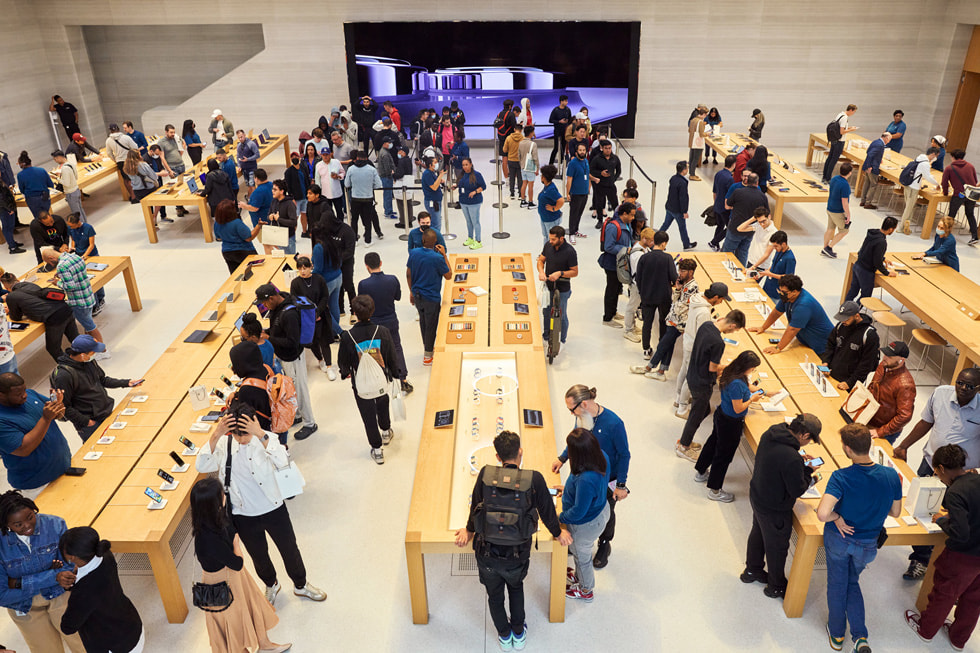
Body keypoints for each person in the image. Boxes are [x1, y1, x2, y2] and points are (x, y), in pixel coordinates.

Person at [197, 409, 326, 608]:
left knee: (289, 549)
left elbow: (283, 461)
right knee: (258, 556)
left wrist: (260, 434)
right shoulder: (224, 444)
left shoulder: (267, 439)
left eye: (246, 434)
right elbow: (202, 465)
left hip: (274, 508)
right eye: (238, 435)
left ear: (254, 424)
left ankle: (300, 584)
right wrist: (216, 434)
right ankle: (271, 584)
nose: (242, 439)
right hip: (243, 514)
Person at [455, 431, 569, 650]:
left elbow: (475, 507)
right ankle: (519, 633)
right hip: (517, 554)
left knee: (494, 596)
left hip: (486, 553)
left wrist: (469, 531)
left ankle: (504, 636)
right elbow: (546, 511)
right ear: (520, 452)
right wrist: (558, 533)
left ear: (497, 457)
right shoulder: (534, 478)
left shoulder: (485, 474)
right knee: (516, 589)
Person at [817, 423, 902, 653]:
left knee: (837, 584)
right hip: (868, 544)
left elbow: (823, 513)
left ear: (847, 449)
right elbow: (895, 512)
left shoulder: (841, 477)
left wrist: (837, 517)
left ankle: (836, 635)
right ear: (870, 444)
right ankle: (860, 637)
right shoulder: (891, 475)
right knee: (852, 583)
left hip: (840, 541)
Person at [893, 367, 980, 581]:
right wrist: (904, 445)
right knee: (918, 508)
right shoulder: (941, 393)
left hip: (960, 475)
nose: (962, 388)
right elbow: (926, 422)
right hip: (931, 463)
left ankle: (931, 562)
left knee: (950, 519)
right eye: (960, 382)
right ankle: (921, 556)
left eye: (969, 386)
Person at [190, 477, 291, 653]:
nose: (224, 496)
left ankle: (264, 644)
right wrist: (237, 545)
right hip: (223, 582)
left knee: (252, 605)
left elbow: (231, 530)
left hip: (232, 576)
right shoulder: (208, 538)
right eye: (221, 494)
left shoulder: (213, 520)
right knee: (235, 621)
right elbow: (237, 563)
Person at [904, 444, 980, 649]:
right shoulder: (977, 478)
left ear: (941, 468)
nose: (938, 477)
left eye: (937, 472)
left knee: (945, 592)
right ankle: (958, 639)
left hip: (964, 556)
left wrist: (940, 520)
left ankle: (926, 629)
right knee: (974, 599)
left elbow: (961, 532)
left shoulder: (955, 492)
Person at [743, 414, 823, 599]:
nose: (809, 443)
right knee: (777, 547)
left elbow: (778, 466)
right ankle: (776, 586)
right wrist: (809, 471)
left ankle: (752, 570)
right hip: (775, 508)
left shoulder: (770, 433)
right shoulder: (791, 457)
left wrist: (800, 463)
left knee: (758, 534)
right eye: (810, 439)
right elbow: (797, 489)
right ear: (804, 435)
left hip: (758, 495)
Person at [553, 385, 631, 570]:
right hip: (584, 473)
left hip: (606, 478)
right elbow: (577, 438)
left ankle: (604, 543)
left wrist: (621, 484)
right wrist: (563, 458)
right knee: (582, 504)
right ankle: (578, 539)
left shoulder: (614, 424)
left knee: (606, 510)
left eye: (572, 409)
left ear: (585, 403)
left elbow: (624, 455)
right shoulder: (582, 417)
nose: (572, 414)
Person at [0, 491, 84, 652]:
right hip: (23, 605)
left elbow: (68, 568)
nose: (28, 526)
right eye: (18, 524)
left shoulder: (55, 524)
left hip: (59, 595)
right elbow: (2, 595)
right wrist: (53, 576)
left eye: (30, 517)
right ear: (6, 525)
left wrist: (18, 583)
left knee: (82, 642)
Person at [693, 351, 765, 502]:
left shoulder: (731, 371)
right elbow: (738, 408)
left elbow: (747, 385)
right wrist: (752, 399)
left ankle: (701, 471)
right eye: (753, 368)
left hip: (721, 415)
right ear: (747, 367)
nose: (753, 371)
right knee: (723, 456)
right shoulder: (736, 384)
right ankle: (715, 489)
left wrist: (766, 392)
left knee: (713, 443)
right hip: (731, 423)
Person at [58, 527, 143, 653]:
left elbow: (68, 627)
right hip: (131, 625)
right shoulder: (105, 554)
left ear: (72, 557)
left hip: (113, 645)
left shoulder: (84, 590)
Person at [676, 311, 746, 462]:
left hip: (693, 374)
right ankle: (683, 446)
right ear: (732, 325)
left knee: (704, 410)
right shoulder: (718, 342)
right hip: (702, 382)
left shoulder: (706, 325)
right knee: (695, 415)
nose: (732, 332)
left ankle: (685, 439)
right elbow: (713, 369)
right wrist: (729, 368)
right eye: (734, 330)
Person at [254, 285, 318, 441]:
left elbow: (292, 341)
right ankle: (297, 415)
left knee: (300, 390)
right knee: (292, 389)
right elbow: (278, 329)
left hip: (293, 357)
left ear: (272, 298)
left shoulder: (289, 315)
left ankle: (310, 423)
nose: (265, 307)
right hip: (285, 357)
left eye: (265, 303)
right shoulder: (278, 306)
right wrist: (267, 332)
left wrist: (270, 338)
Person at [337, 295, 396, 465]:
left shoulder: (348, 336)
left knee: (368, 416)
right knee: (383, 404)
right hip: (380, 379)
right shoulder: (382, 331)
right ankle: (386, 431)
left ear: (354, 312)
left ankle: (377, 450)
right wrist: (395, 373)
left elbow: (343, 362)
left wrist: (344, 372)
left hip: (361, 384)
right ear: (372, 310)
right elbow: (391, 355)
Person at [51, 334, 142, 442]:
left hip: (105, 412)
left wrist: (126, 383)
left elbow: (102, 380)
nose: (95, 354)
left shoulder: (88, 361)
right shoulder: (64, 376)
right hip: (90, 424)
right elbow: (64, 406)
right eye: (93, 352)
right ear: (82, 355)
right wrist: (87, 422)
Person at [558, 428, 610, 602]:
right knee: (580, 554)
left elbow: (579, 512)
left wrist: (560, 517)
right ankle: (580, 578)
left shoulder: (586, 479)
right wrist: (570, 492)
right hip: (601, 511)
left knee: (582, 557)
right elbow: (593, 491)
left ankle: (586, 589)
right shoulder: (601, 455)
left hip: (585, 525)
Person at [0, 374, 70, 495]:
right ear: (1, 395)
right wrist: (45, 419)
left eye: (24, 390)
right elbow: (23, 449)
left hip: (64, 466)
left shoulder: (30, 394)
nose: (24, 395)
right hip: (37, 485)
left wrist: (58, 404)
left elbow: (58, 415)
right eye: (18, 394)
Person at [631, 257, 698, 380]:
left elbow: (681, 306)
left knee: (663, 345)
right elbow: (675, 300)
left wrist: (676, 302)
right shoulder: (683, 284)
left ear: (691, 272)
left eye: (683, 271)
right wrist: (677, 290)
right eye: (679, 270)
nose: (680, 273)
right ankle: (661, 371)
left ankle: (649, 367)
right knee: (668, 345)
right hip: (673, 319)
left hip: (678, 323)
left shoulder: (692, 287)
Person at [674, 281, 730, 419]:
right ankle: (682, 408)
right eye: (722, 299)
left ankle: (678, 398)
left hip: (688, 338)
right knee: (690, 376)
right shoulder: (704, 311)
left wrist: (714, 321)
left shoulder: (698, 298)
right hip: (694, 345)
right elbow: (704, 333)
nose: (722, 302)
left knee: (684, 370)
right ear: (716, 297)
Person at [358, 252, 412, 395]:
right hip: (391, 319)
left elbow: (361, 304)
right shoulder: (392, 280)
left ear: (367, 266)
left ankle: (380, 378)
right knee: (396, 347)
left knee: (375, 350)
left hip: (373, 323)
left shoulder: (363, 284)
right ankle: (403, 379)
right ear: (381, 263)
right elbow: (398, 297)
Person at [1, 274, 80, 364]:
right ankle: (86, 357)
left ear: (6, 288)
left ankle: (69, 367)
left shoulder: (11, 297)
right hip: (65, 309)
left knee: (53, 348)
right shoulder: (29, 284)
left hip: (54, 319)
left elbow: (16, 317)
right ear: (18, 280)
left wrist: (9, 311)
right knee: (75, 338)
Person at [41, 248, 106, 356]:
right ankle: (91, 348)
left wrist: (58, 283)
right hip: (88, 295)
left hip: (78, 301)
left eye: (50, 262)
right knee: (87, 324)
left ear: (51, 258)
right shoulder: (74, 256)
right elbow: (78, 272)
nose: (51, 265)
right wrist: (63, 275)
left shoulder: (61, 266)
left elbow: (70, 286)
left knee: (90, 326)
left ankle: (102, 351)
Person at [749, 274, 833, 356]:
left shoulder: (803, 305)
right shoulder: (787, 297)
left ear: (794, 292)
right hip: (805, 341)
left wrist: (778, 348)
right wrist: (763, 327)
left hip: (822, 345)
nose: (781, 294)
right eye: (780, 291)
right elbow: (776, 312)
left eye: (784, 292)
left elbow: (792, 329)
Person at [406, 230, 451, 366]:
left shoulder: (413, 253)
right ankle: (428, 355)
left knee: (423, 323)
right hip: (431, 298)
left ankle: (427, 347)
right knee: (431, 325)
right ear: (436, 242)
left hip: (418, 295)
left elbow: (408, 274)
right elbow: (449, 275)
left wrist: (411, 292)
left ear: (422, 241)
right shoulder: (437, 258)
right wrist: (444, 255)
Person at [633, 230, 677, 356]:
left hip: (647, 296)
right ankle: (661, 348)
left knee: (647, 323)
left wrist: (643, 292)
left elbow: (638, 278)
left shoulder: (644, 257)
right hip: (664, 297)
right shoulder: (667, 258)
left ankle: (646, 349)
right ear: (663, 244)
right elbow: (674, 278)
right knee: (663, 322)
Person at [291, 256, 335, 379]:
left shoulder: (319, 279)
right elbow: (294, 299)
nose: (302, 271)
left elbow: (325, 297)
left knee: (324, 341)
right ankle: (320, 360)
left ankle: (330, 366)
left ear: (311, 267)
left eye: (305, 268)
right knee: (313, 341)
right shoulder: (295, 283)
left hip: (321, 314)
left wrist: (317, 312)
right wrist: (309, 314)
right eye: (300, 269)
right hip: (306, 318)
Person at [822, 301, 880, 391]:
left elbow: (866, 365)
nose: (843, 321)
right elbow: (830, 344)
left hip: (848, 383)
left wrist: (850, 383)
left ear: (856, 316)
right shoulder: (840, 326)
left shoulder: (869, 335)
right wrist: (825, 362)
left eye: (846, 319)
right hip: (831, 375)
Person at [867, 341, 916, 445]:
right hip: (869, 418)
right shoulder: (884, 365)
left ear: (901, 360)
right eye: (885, 354)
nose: (884, 358)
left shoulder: (905, 385)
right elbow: (873, 386)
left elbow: (904, 416)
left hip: (884, 430)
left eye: (890, 356)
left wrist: (880, 431)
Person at [537, 226, 578, 347]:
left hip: (562, 289)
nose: (550, 241)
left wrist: (560, 273)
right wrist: (541, 272)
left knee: (562, 315)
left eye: (553, 239)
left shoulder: (570, 252)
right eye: (550, 238)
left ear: (561, 238)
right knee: (546, 311)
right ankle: (546, 335)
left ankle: (562, 340)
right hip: (548, 286)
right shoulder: (548, 246)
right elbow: (541, 260)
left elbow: (575, 272)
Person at [598, 202, 635, 328]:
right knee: (611, 290)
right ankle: (607, 318)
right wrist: (626, 249)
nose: (633, 218)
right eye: (631, 215)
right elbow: (609, 246)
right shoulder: (613, 227)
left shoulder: (626, 223)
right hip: (612, 263)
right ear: (624, 214)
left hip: (620, 262)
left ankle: (613, 312)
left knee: (617, 288)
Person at [844, 217, 898, 301]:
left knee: (853, 291)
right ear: (891, 229)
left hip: (858, 265)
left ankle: (845, 309)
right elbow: (877, 263)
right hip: (866, 271)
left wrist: (882, 258)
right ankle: (854, 312)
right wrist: (887, 273)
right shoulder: (881, 242)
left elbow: (868, 249)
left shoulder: (873, 233)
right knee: (865, 296)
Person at [723, 173, 766, 265]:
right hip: (750, 230)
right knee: (743, 252)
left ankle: (724, 271)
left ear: (747, 181)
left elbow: (729, 204)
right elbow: (766, 214)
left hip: (735, 227)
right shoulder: (762, 196)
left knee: (727, 252)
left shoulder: (738, 192)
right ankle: (741, 272)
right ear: (757, 182)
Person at [66, 212, 104, 309]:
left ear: (78, 223)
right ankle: (93, 302)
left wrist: (84, 256)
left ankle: (101, 297)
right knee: (87, 279)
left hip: (91, 255)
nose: (71, 227)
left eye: (72, 226)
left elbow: (91, 244)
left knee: (96, 278)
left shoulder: (88, 228)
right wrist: (72, 248)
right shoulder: (71, 228)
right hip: (79, 255)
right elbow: (73, 239)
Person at [345, 150, 383, 244]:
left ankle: (355, 240)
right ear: (366, 158)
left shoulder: (351, 169)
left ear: (356, 158)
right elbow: (378, 185)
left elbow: (347, 184)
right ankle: (368, 241)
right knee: (367, 220)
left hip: (355, 198)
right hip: (368, 198)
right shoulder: (371, 169)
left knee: (354, 220)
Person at [621, 227, 653, 341]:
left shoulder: (644, 249)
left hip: (640, 284)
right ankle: (628, 330)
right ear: (644, 239)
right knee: (631, 307)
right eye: (651, 240)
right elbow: (639, 272)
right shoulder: (638, 254)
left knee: (634, 306)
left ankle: (633, 326)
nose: (652, 243)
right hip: (637, 285)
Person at [212, 199, 260, 274]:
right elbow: (248, 238)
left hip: (227, 252)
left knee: (236, 276)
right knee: (255, 273)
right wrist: (258, 226)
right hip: (244, 251)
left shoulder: (217, 223)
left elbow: (218, 237)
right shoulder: (237, 223)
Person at [943, 148, 979, 246]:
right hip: (971, 194)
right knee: (970, 214)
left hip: (959, 194)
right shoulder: (970, 166)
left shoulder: (949, 168)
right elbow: (975, 181)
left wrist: (945, 193)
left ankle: (946, 235)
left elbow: (944, 182)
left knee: (951, 215)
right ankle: (974, 236)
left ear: (952, 157)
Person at [899, 147, 940, 232]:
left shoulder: (919, 158)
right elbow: (928, 177)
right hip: (913, 188)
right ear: (932, 154)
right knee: (908, 209)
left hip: (908, 185)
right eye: (936, 156)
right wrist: (937, 184)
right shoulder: (925, 164)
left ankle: (906, 227)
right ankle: (901, 228)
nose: (936, 158)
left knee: (909, 207)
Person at [660, 162, 696, 251]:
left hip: (669, 207)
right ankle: (686, 244)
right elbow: (683, 198)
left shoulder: (673, 178)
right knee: (682, 227)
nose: (687, 170)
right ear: (683, 170)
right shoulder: (683, 183)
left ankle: (656, 240)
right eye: (687, 168)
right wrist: (684, 211)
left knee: (665, 225)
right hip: (677, 210)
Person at [751, 231, 796, 300]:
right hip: (768, 286)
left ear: (783, 244)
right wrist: (763, 274)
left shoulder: (790, 258)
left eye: (776, 246)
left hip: (777, 291)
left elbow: (788, 278)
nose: (774, 248)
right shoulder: (779, 251)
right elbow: (774, 264)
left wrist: (770, 274)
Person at [822, 162, 854, 259]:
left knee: (830, 229)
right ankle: (829, 247)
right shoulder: (845, 185)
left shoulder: (834, 179)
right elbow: (844, 202)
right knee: (844, 230)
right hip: (837, 211)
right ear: (849, 173)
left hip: (830, 207)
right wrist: (848, 214)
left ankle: (824, 248)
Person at [125, 149, 164, 225]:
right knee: (159, 201)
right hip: (148, 188)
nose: (141, 156)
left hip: (137, 190)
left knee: (147, 208)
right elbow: (154, 176)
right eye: (139, 154)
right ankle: (154, 216)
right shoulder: (143, 165)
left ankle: (150, 222)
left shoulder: (127, 167)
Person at [822, 104, 858, 184]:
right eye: (854, 112)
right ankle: (828, 179)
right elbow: (842, 132)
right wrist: (851, 130)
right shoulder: (845, 118)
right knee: (833, 160)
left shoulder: (840, 114)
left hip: (834, 139)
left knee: (830, 158)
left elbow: (839, 128)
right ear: (851, 110)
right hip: (839, 141)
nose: (853, 114)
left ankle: (824, 177)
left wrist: (849, 128)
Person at [455, 157, 486, 250]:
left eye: (466, 165)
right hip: (463, 201)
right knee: (468, 221)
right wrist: (455, 186)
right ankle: (470, 238)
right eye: (463, 165)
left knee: (475, 221)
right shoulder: (462, 174)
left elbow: (483, 186)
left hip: (474, 202)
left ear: (471, 164)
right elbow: (461, 184)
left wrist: (475, 191)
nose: (465, 167)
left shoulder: (477, 175)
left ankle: (478, 241)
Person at [708, 154, 737, 251]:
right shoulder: (730, 179)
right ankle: (714, 242)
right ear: (734, 165)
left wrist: (715, 203)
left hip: (717, 205)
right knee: (730, 227)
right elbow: (731, 196)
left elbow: (714, 191)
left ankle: (715, 245)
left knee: (720, 225)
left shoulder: (718, 174)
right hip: (725, 208)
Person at [159, 123, 188, 216]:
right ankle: (178, 208)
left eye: (174, 132)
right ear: (166, 132)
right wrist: (169, 170)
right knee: (176, 187)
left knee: (183, 186)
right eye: (171, 132)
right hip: (173, 167)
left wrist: (183, 144)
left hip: (181, 165)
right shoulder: (161, 142)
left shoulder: (175, 139)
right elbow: (162, 158)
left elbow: (182, 147)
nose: (173, 134)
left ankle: (182, 205)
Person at [105, 124, 140, 202]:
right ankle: (137, 195)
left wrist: (115, 159)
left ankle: (132, 196)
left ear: (110, 130)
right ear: (118, 129)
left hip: (120, 161)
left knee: (126, 179)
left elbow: (109, 153)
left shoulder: (108, 140)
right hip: (129, 159)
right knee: (133, 178)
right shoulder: (126, 137)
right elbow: (135, 147)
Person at [565, 142, 591, 243]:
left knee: (579, 213)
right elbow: (569, 179)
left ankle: (576, 230)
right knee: (573, 214)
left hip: (584, 193)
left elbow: (587, 174)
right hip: (575, 193)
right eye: (580, 150)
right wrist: (567, 193)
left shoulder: (585, 161)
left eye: (584, 150)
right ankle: (571, 233)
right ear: (576, 152)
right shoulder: (572, 164)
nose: (582, 152)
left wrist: (594, 180)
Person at [859, 132, 892, 209]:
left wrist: (878, 159)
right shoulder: (880, 145)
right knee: (873, 185)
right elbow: (870, 154)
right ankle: (868, 203)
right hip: (872, 167)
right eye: (889, 139)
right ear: (886, 138)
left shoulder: (875, 141)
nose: (889, 141)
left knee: (866, 183)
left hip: (867, 165)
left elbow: (868, 152)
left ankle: (863, 201)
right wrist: (870, 166)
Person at [589, 140, 621, 222]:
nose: (608, 150)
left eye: (609, 148)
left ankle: (617, 219)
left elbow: (618, 170)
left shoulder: (615, 158)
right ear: (602, 148)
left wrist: (613, 178)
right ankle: (600, 221)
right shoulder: (597, 159)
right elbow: (591, 170)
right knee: (599, 204)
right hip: (600, 185)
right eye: (606, 148)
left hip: (610, 185)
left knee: (615, 203)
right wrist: (600, 173)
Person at [50, 150, 85, 224]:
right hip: (76, 190)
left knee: (76, 214)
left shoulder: (64, 168)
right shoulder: (71, 163)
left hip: (71, 193)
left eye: (55, 159)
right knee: (81, 211)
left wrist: (56, 178)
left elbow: (66, 183)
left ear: (59, 157)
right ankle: (85, 225)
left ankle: (82, 229)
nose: (55, 161)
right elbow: (76, 177)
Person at [15, 152, 53, 220]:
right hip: (45, 197)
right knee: (47, 215)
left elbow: (22, 190)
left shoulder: (20, 175)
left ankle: (41, 230)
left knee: (38, 218)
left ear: (22, 164)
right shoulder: (41, 170)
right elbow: (50, 184)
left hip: (32, 199)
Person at [536, 164, 564, 242]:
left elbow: (561, 200)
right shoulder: (546, 186)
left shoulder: (551, 189)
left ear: (544, 177)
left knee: (551, 240)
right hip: (545, 218)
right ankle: (546, 253)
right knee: (546, 237)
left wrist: (554, 208)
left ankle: (550, 254)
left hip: (551, 220)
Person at [420, 156, 447, 232]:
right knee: (436, 223)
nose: (437, 164)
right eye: (435, 162)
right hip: (432, 201)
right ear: (430, 165)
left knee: (437, 220)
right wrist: (441, 175)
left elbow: (435, 183)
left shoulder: (432, 173)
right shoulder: (427, 174)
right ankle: (435, 239)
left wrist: (439, 180)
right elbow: (434, 187)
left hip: (436, 200)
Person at [517, 126, 539, 208]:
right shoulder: (533, 144)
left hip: (523, 166)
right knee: (530, 185)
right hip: (530, 167)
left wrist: (521, 164)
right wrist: (537, 168)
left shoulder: (520, 143)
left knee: (524, 184)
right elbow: (535, 157)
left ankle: (523, 201)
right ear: (530, 133)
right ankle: (530, 202)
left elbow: (518, 155)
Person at [0, 180, 24, 255]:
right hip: (5, 210)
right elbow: (1, 200)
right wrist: (10, 208)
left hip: (5, 208)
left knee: (10, 226)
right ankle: (12, 247)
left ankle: (12, 243)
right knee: (7, 227)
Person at [549, 95, 572, 166]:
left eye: (567, 101)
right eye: (565, 101)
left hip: (565, 131)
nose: (566, 102)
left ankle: (561, 162)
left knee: (563, 147)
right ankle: (550, 163)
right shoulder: (556, 110)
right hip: (557, 130)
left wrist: (567, 121)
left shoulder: (568, 110)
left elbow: (570, 119)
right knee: (556, 148)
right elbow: (550, 120)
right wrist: (559, 121)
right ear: (561, 101)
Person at [236, 131, 261, 197]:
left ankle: (254, 200)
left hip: (251, 168)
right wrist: (239, 165)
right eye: (239, 138)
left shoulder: (251, 144)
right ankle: (250, 198)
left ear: (244, 135)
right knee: (248, 185)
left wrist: (248, 159)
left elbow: (257, 155)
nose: (240, 139)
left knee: (252, 185)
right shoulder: (238, 145)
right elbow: (238, 157)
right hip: (244, 169)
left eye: (241, 137)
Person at [687, 106, 707, 182]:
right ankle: (692, 175)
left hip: (692, 141)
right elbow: (702, 134)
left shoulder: (693, 120)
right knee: (695, 159)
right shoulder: (700, 122)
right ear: (704, 114)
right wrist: (707, 134)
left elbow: (689, 130)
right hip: (698, 143)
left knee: (691, 158)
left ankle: (691, 173)